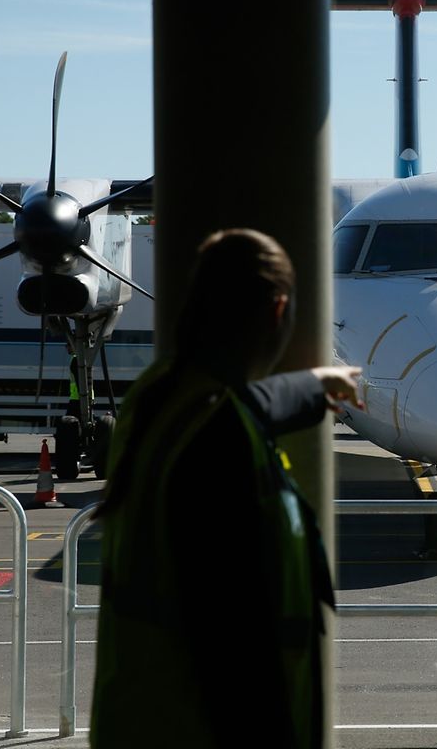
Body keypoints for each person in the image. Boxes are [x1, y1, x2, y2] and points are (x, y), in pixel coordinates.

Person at [90, 229, 361, 748]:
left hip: (144, 718)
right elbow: (234, 653)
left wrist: (313, 384)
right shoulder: (220, 443)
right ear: (278, 311)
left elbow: (245, 404)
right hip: (202, 727)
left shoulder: (161, 394)